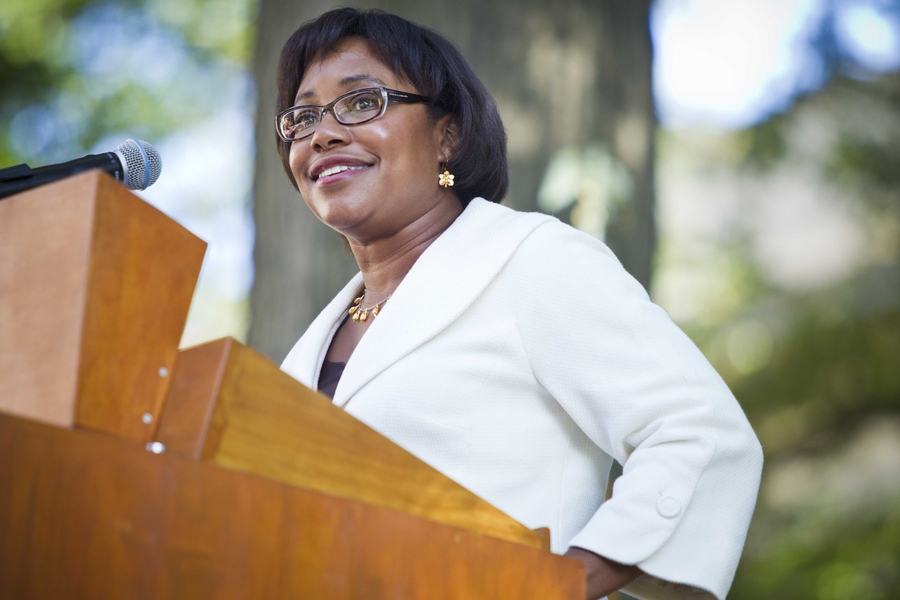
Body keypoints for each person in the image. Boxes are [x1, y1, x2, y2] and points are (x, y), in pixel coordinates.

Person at [277, 8, 763, 600]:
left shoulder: (532, 260)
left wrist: (560, 583)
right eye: (303, 118)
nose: (321, 133)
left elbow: (698, 430)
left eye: (361, 103)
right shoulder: (309, 347)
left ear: (446, 135)